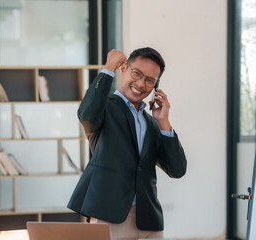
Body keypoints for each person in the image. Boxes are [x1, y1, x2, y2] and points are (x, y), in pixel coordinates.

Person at [68, 47, 187, 240]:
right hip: (109, 216)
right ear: (123, 69)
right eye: (137, 73)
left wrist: (164, 122)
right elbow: (86, 114)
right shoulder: (104, 108)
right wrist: (108, 68)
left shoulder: (153, 124)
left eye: (150, 80)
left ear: (156, 87)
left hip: (149, 220)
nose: (141, 84)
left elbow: (178, 169)